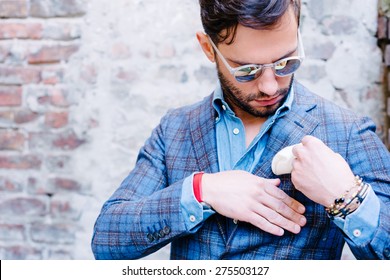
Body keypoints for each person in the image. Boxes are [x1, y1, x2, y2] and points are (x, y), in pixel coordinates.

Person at [91, 0, 390, 260]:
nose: (270, 85)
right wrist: (200, 191)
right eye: (247, 70)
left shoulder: (348, 132)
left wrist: (348, 198)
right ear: (208, 48)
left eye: (286, 62)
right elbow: (106, 240)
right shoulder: (175, 129)